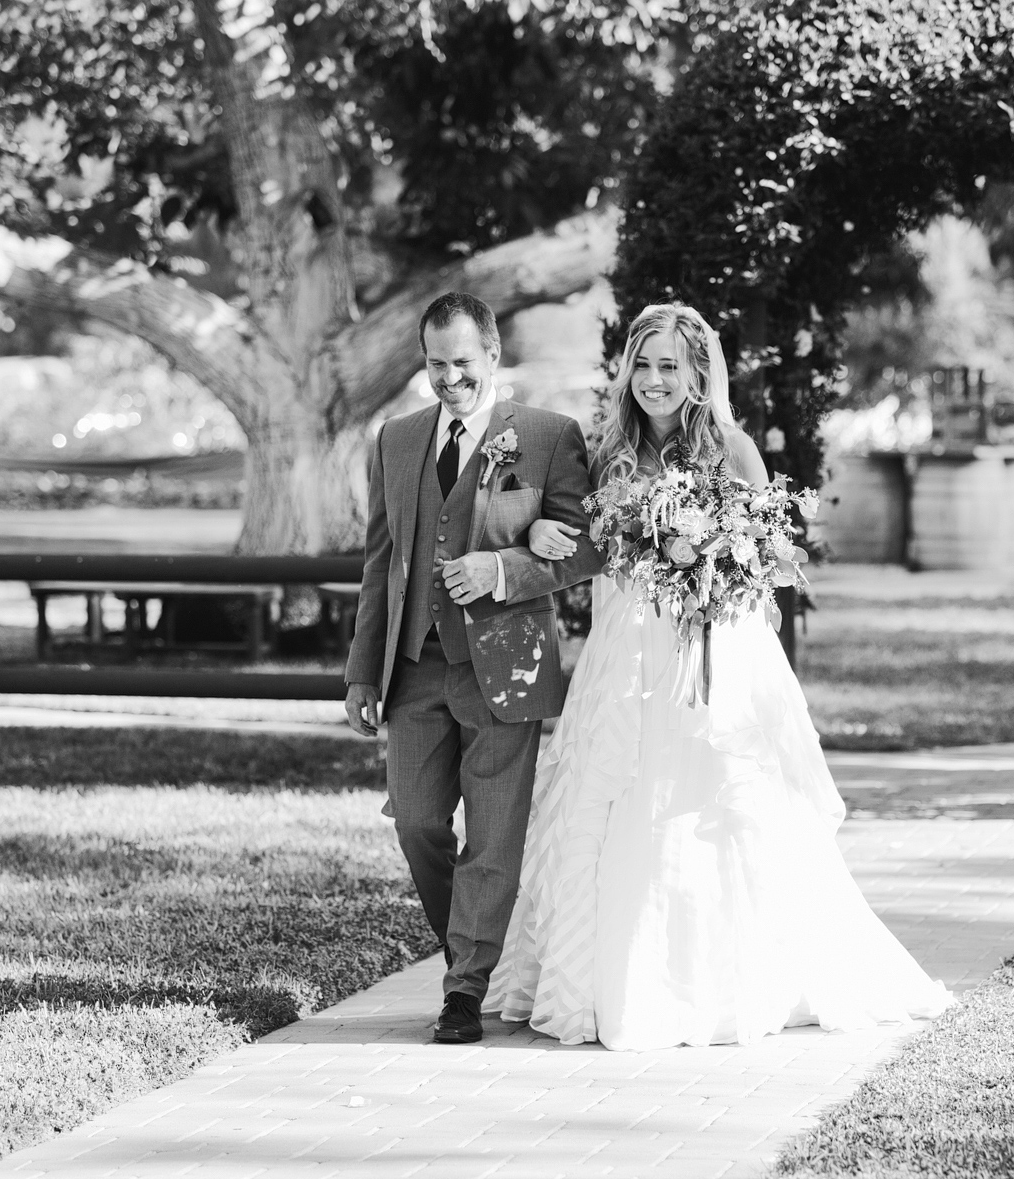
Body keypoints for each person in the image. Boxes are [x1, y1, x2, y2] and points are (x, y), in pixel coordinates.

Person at [486, 303, 951, 1050]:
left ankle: (727, 980)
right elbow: (579, 541)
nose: (654, 380)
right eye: (643, 365)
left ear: (699, 372)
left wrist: (713, 568)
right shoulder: (607, 450)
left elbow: (764, 564)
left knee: (710, 803)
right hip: (622, 654)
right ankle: (595, 978)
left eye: (670, 365)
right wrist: (540, 527)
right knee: (607, 796)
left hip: (712, 651)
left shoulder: (732, 449)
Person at [345, 292, 602, 1045]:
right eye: (435, 363)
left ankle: (463, 990)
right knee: (419, 819)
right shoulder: (395, 439)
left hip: (506, 665)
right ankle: (472, 943)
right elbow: (379, 564)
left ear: (491, 356)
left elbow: (587, 546)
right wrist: (364, 672)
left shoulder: (549, 436)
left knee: (492, 837)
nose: (450, 378)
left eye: (463, 363)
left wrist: (502, 569)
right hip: (415, 664)